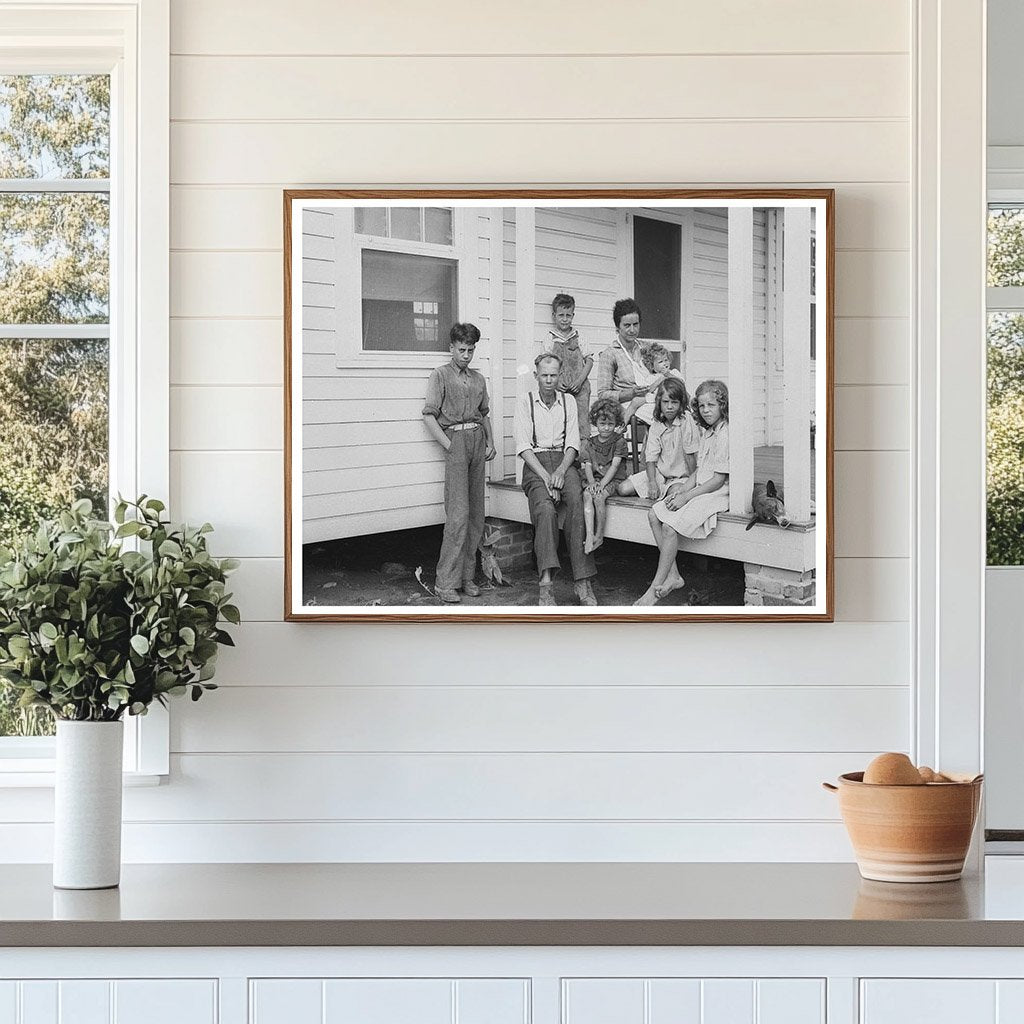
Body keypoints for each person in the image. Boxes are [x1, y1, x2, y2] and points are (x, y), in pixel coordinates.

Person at [635, 379, 731, 607]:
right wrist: (683, 489)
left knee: (669, 526)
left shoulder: (725, 434)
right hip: (700, 486)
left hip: (718, 492)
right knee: (653, 514)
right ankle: (674, 575)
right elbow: (700, 471)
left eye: (712, 405)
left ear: (722, 406)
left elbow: (717, 480)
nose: (706, 411)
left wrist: (687, 496)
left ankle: (654, 588)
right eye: (702, 406)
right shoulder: (709, 432)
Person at [514, 352, 597, 607]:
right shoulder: (525, 401)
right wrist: (547, 477)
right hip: (536, 464)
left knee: (577, 505)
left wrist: (561, 471)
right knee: (545, 510)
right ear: (536, 375)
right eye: (544, 375)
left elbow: (572, 442)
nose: (549, 380)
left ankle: (582, 582)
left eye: (553, 375)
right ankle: (546, 584)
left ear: (559, 375)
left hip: (563, 461)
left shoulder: (568, 401)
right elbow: (524, 446)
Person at [421, 322, 496, 604]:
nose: (466, 355)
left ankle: (467, 577)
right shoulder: (440, 376)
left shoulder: (478, 379)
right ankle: (445, 582)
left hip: (477, 442)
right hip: (456, 442)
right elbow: (429, 416)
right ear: (451, 348)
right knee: (458, 514)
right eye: (461, 349)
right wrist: (449, 445)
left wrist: (491, 442)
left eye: (470, 350)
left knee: (476, 514)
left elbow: (484, 413)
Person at [616, 377, 697, 501]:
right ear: (659, 402)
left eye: (674, 402)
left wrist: (692, 484)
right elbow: (651, 459)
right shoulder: (656, 424)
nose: (669, 407)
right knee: (623, 489)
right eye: (665, 402)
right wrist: (652, 483)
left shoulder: (686, 420)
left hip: (682, 476)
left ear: (681, 403)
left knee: (674, 494)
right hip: (661, 474)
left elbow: (691, 456)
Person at [594, 298, 662, 427]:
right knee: (664, 413)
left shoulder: (647, 348)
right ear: (617, 328)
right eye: (627, 325)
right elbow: (603, 394)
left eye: (635, 324)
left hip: (652, 399)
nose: (632, 330)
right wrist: (631, 393)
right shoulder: (610, 354)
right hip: (628, 404)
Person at [580, 398, 628, 553]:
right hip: (597, 479)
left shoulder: (619, 441)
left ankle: (599, 536)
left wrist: (601, 485)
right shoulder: (591, 443)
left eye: (611, 424)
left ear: (616, 424)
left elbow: (614, 466)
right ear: (596, 423)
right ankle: (589, 534)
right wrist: (592, 482)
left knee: (599, 497)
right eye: (602, 423)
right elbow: (587, 465)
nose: (606, 428)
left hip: (613, 479)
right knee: (587, 494)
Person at [544, 292, 593, 439]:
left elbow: (589, 361)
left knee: (582, 423)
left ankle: (583, 459)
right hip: (559, 389)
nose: (565, 319)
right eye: (561, 315)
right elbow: (545, 364)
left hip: (580, 389)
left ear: (573, 315)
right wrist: (556, 382)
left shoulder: (579, 336)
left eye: (568, 315)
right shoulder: (550, 338)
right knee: (561, 423)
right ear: (554, 316)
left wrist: (579, 381)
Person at [633, 343, 685, 427]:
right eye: (660, 362)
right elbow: (649, 390)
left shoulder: (674, 372)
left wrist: (668, 375)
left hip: (673, 400)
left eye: (666, 360)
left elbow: (681, 383)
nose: (665, 363)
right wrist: (660, 379)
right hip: (657, 403)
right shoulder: (652, 377)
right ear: (652, 366)